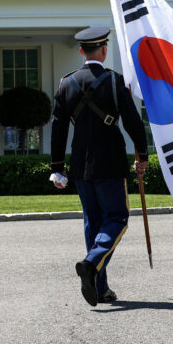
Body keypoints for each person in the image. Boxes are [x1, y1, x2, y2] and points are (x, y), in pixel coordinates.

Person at [49, 27, 149, 307]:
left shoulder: (66, 83)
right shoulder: (115, 82)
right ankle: (92, 263)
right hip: (111, 164)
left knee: (93, 222)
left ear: (82, 51)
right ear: (103, 50)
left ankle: (100, 287)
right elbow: (133, 122)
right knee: (117, 218)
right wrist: (142, 156)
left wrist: (57, 168)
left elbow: (57, 129)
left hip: (80, 166)